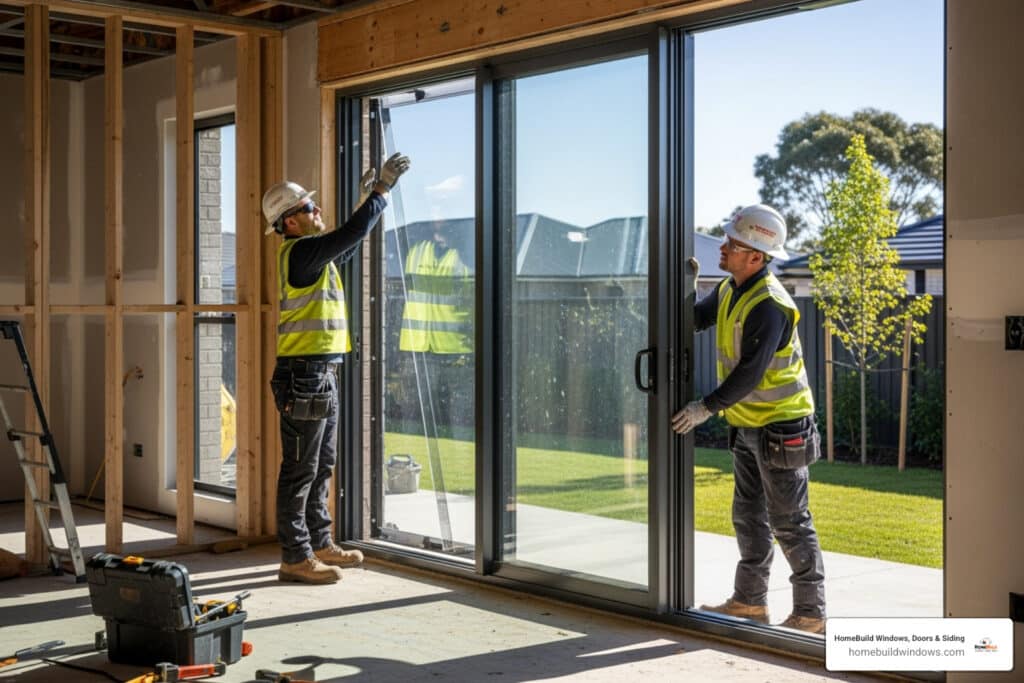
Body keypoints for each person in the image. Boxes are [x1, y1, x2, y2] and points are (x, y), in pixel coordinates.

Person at [672, 204, 826, 634]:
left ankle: (812, 614)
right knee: (748, 515)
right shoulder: (729, 290)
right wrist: (682, 286)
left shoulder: (771, 304)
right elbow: (694, 321)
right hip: (748, 425)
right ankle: (749, 602)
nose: (723, 248)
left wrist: (706, 407)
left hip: (783, 428)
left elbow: (750, 373)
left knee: (790, 522)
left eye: (732, 245)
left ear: (756, 257)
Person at [262, 152, 411, 584]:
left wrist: (367, 201)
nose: (317, 210)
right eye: (309, 207)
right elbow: (349, 232)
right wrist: (380, 192)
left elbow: (348, 240)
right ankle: (294, 557)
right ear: (290, 222)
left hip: (320, 374)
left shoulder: (314, 258)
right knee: (300, 469)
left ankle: (319, 543)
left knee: (322, 463)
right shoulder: (301, 254)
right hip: (305, 375)